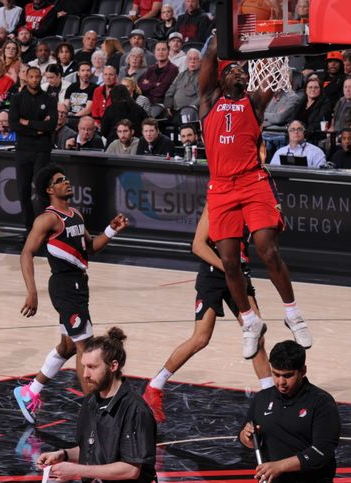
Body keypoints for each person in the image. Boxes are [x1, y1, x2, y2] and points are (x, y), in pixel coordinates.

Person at [199, 37, 313, 360]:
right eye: (233, 68)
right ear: (221, 78)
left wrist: (273, 39)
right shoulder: (208, 102)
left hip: (252, 181)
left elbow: (272, 71)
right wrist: (225, 30)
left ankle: (292, 313)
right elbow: (209, 55)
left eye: (242, 69)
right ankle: (250, 321)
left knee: (267, 247)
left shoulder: (254, 103)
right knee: (231, 261)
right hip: (221, 187)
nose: (239, 72)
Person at [14, 165, 129, 424]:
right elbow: (26, 253)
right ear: (49, 189)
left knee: (67, 346)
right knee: (84, 348)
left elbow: (92, 247)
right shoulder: (48, 219)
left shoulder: (75, 214)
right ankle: (94, 411)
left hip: (79, 285)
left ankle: (30, 391)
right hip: (65, 287)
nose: (67, 182)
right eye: (60, 180)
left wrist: (111, 230)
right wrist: (32, 292)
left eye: (66, 178)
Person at [143, 206, 274, 422]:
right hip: (214, 275)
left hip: (239, 275)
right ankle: (154, 386)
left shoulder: (251, 204)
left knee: (256, 333)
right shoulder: (217, 202)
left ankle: (269, 395)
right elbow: (198, 246)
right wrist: (227, 267)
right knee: (201, 338)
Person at [36, 327, 156, 483]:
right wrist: (63, 454)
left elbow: (131, 469)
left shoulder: (135, 410)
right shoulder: (91, 401)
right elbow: (92, 448)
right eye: (84, 366)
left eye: (92, 367)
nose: (85, 374)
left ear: (113, 366)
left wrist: (76, 470)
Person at [239, 340, 340, 483]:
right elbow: (245, 440)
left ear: (303, 371)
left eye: (288, 376)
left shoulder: (321, 402)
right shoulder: (263, 398)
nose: (281, 382)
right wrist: (247, 436)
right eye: (276, 374)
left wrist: (280, 466)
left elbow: (321, 452)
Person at [10, 66, 58, 232]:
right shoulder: (17, 99)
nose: (35, 80)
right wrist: (38, 129)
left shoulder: (50, 99)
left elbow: (51, 125)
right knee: (23, 190)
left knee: (42, 189)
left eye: (37, 77)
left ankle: (46, 226)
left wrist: (28, 123)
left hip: (42, 150)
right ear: (26, 77)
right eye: (31, 77)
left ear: (41, 77)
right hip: (23, 149)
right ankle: (29, 226)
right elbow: (14, 125)